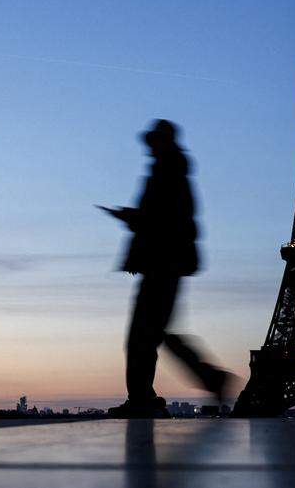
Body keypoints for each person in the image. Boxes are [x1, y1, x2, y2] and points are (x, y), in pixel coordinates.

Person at [101, 119, 231, 418]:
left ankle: (143, 398)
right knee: (156, 333)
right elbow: (169, 219)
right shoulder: (172, 170)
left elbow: (161, 220)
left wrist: (130, 218)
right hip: (165, 264)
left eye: (153, 141)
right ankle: (208, 379)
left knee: (141, 336)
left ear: (162, 141)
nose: (148, 148)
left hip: (162, 264)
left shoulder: (166, 172)